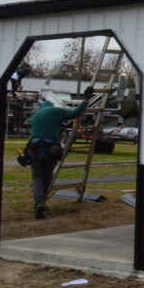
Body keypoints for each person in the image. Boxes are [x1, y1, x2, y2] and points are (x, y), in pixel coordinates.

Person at [27, 88, 92, 219]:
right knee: (47, 176)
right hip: (50, 148)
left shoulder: (35, 116)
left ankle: (39, 202)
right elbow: (75, 113)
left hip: (34, 148)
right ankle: (42, 202)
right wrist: (85, 100)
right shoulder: (56, 111)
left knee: (37, 177)